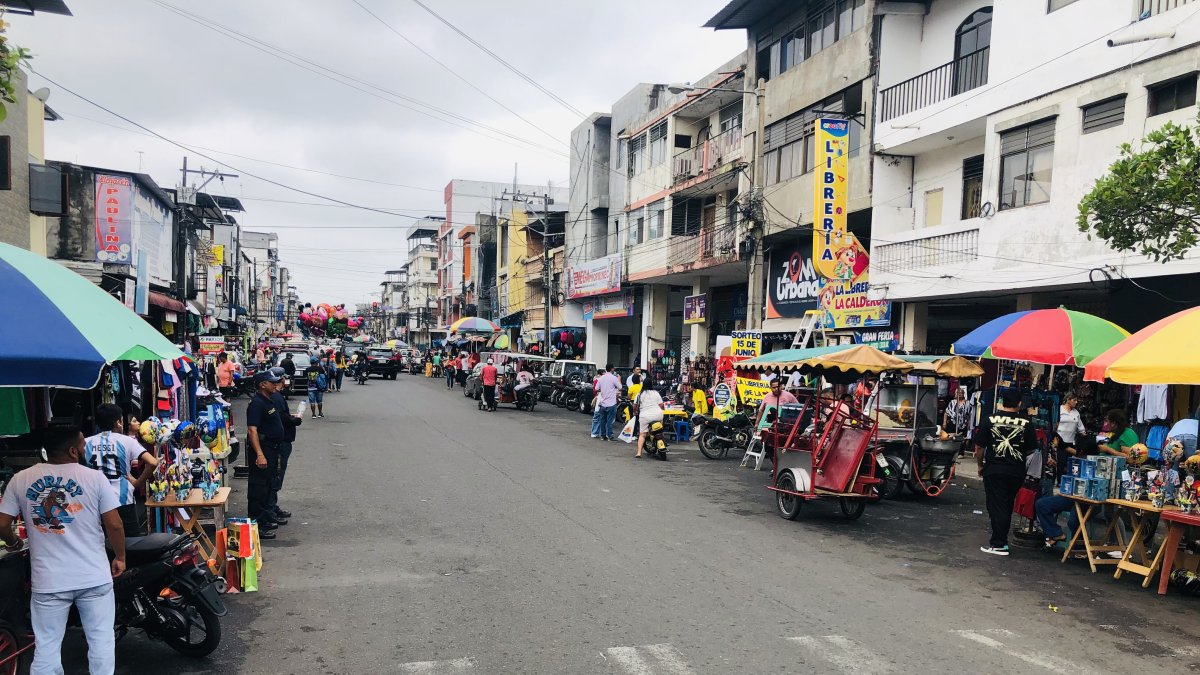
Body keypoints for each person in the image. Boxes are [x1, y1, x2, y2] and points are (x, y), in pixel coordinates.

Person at [0, 427, 125, 675]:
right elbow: (114, 524)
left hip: (49, 581)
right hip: (93, 577)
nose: (85, 450)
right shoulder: (95, 477)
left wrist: (14, 542)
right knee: (101, 642)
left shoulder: (21, 479)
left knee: (47, 648)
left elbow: (2, 524)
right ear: (72, 450)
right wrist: (120, 556)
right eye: (82, 446)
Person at [974, 391, 1037, 556]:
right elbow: (1031, 448)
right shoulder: (1027, 423)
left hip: (994, 470)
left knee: (997, 506)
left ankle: (998, 543)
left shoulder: (989, 420)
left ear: (1002, 403)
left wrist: (980, 465)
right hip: (1016, 471)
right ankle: (1001, 541)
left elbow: (979, 447)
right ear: (1019, 405)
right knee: (1006, 505)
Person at [83, 403, 158, 537]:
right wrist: (138, 482)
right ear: (118, 422)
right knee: (131, 544)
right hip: (122, 499)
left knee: (102, 543)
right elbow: (152, 462)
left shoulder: (85, 443)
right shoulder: (126, 441)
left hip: (95, 501)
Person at [245, 371, 286, 540]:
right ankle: (256, 526)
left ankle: (264, 519)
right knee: (258, 488)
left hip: (272, 448)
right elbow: (252, 430)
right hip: (263, 449)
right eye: (272, 382)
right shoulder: (256, 403)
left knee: (269, 485)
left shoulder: (268, 401)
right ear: (262, 384)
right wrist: (260, 454)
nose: (275, 384)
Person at [268, 367, 302, 523]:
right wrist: (293, 420)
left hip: (283, 440)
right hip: (280, 443)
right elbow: (280, 418)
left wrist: (291, 417)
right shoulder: (275, 397)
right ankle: (270, 509)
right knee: (276, 475)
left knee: (277, 475)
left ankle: (272, 506)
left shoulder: (277, 396)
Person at [635, 380, 666, 458]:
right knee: (660, 429)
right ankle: (661, 438)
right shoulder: (656, 393)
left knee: (642, 435)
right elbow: (661, 405)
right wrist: (663, 409)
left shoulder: (639, 394)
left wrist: (635, 412)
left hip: (645, 416)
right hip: (658, 414)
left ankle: (639, 453)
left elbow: (635, 406)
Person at [596, 364, 622, 441]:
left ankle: (603, 435)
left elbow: (597, 388)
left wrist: (604, 390)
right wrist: (619, 379)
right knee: (610, 421)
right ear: (612, 369)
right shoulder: (614, 378)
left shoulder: (601, 378)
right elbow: (620, 387)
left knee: (602, 420)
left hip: (603, 402)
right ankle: (610, 435)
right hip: (611, 402)